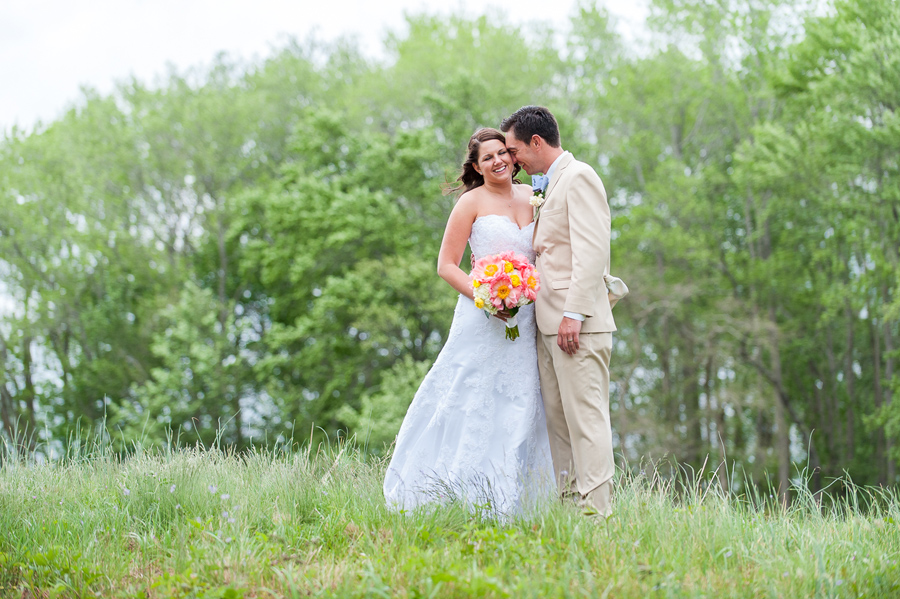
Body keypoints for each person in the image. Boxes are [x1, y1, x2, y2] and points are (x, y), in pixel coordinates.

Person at [383, 128, 553, 517]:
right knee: (471, 396)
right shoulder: (470, 204)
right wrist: (486, 298)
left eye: (503, 153)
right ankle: (450, 491)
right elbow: (446, 265)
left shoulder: (534, 197)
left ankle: (519, 500)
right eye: (488, 157)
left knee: (523, 400)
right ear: (476, 166)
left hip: (525, 318)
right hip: (481, 317)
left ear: (513, 157)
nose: (498, 161)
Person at [501, 106, 617, 518]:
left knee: (586, 420)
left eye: (514, 150)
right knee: (559, 425)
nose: (512, 160)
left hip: (576, 324)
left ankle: (597, 515)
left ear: (536, 142)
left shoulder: (579, 177)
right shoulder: (544, 185)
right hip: (546, 324)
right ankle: (571, 512)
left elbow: (592, 252)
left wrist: (575, 314)